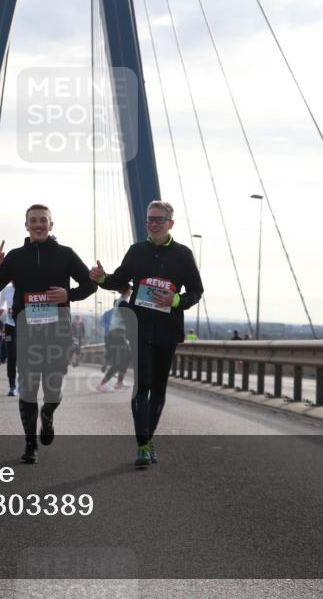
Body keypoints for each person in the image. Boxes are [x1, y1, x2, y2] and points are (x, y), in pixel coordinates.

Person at [90, 200, 202, 468]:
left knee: (159, 389)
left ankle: (149, 439)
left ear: (170, 223)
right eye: (149, 219)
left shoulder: (184, 254)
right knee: (143, 386)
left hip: (167, 330)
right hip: (139, 327)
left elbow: (196, 292)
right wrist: (102, 278)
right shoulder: (136, 250)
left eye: (159, 219)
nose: (153, 223)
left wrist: (175, 301)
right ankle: (142, 445)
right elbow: (120, 281)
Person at [0, 204, 97, 464]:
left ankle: (48, 414)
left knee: (53, 387)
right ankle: (30, 444)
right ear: (26, 225)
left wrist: (70, 295)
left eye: (43, 220)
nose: (38, 224)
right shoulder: (14, 256)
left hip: (58, 329)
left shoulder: (66, 254)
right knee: (29, 386)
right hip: (27, 330)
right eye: (33, 220)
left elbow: (90, 283)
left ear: (51, 225)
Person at [96, 285, 132, 392]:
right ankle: (102, 384)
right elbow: (129, 318)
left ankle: (119, 383)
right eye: (131, 289)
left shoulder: (121, 301)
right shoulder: (122, 303)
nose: (131, 291)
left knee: (127, 357)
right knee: (118, 362)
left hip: (118, 335)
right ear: (128, 290)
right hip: (117, 335)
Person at [0, 282, 17, 396]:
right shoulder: (6, 290)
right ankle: (12, 386)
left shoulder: (27, 285)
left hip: (25, 326)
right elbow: (0, 302)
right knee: (12, 357)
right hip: (10, 326)